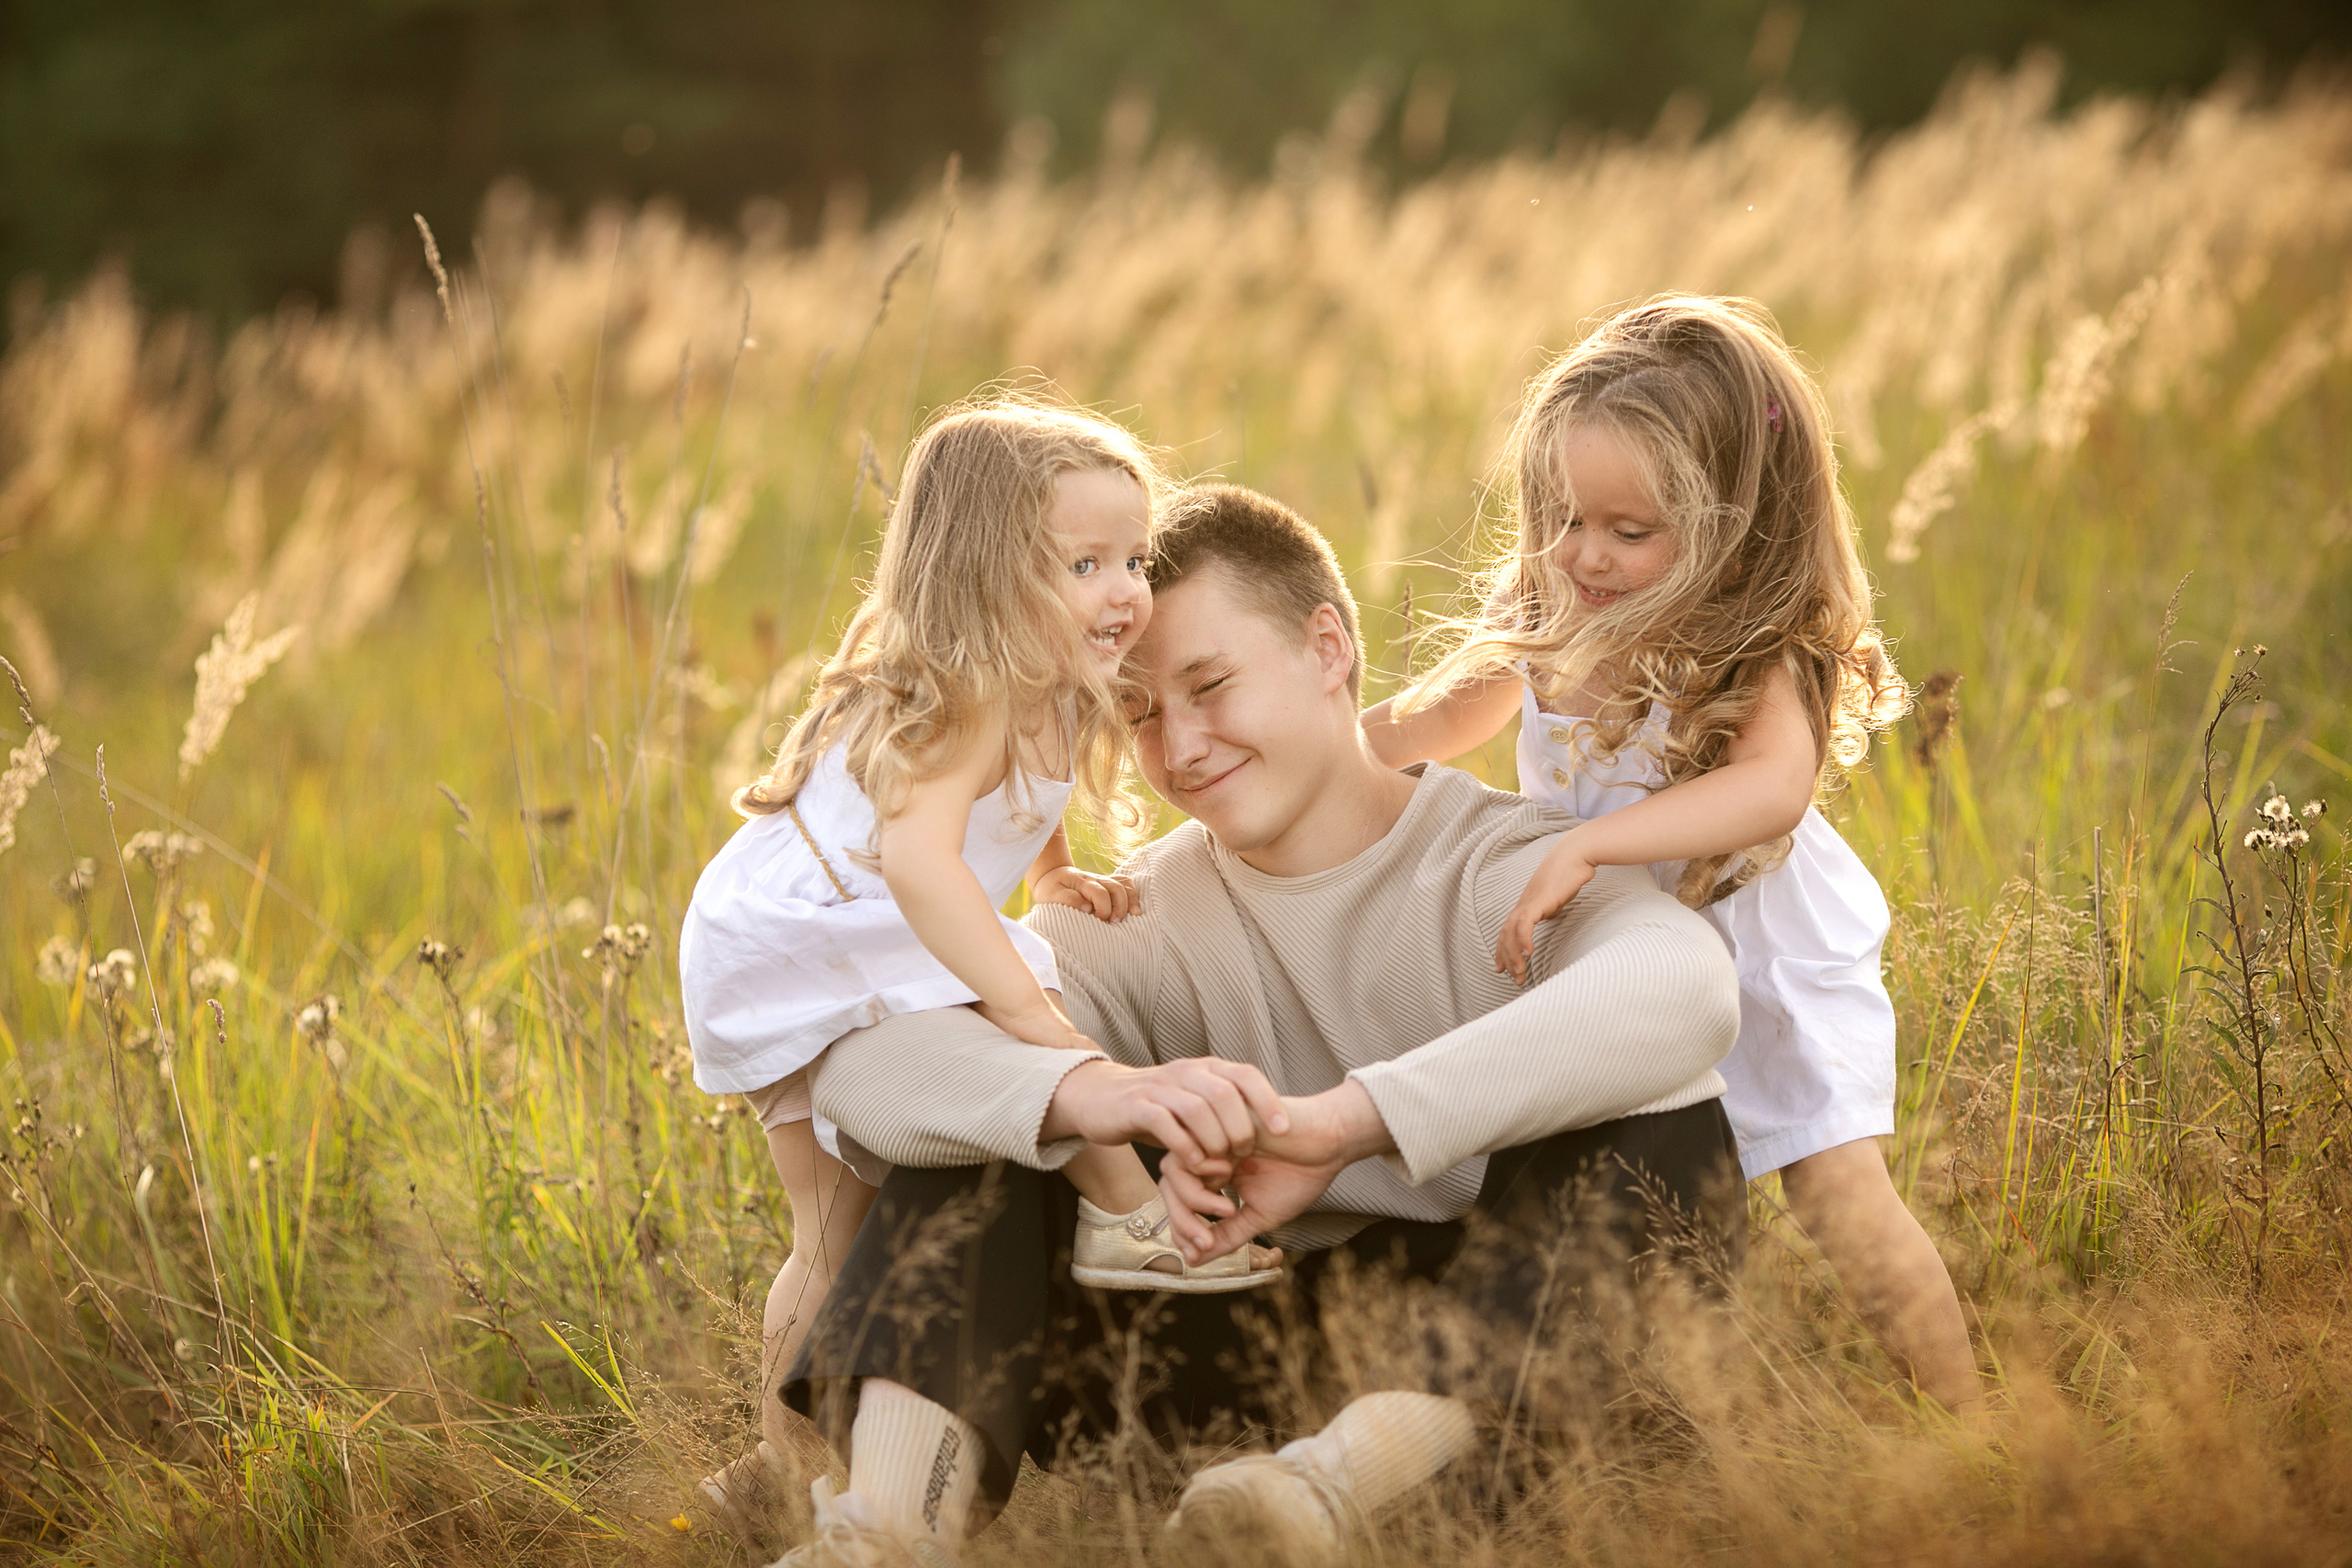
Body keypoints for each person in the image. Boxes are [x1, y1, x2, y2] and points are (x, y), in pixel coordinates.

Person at [772, 485, 1748, 1566]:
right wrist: (1096, 1094)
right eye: (1139, 713)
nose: (1181, 746)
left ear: (1327, 648)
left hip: (1490, 1367)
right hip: (1223, 1343)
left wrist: (1346, 1123)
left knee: (1670, 1121)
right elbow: (867, 1067)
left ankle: (1319, 1495)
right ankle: (885, 1534)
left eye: (1210, 686)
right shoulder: (1138, 914)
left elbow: (1688, 988)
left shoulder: (1502, 865)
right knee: (996, 1107)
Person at [1361, 294, 1978, 1415]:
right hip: (1619, 958)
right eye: (1562, 516)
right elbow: (1433, 722)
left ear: (1730, 527)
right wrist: (1302, 757)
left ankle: (1972, 1427)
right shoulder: (1549, 599)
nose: (1584, 554)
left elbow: (1771, 787)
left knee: (1835, 1190)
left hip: (1758, 952)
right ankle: (1619, 1397)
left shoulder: (1745, 642)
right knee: (1604, 1176)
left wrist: (1594, 843)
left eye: (1628, 531)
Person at [680, 399, 1280, 1526]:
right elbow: (918, 859)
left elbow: (1013, 808)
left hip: (875, 922)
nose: (1123, 592)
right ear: (985, 572)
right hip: (804, 940)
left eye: (1133, 560)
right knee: (842, 1210)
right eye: (1083, 564)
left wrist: (1050, 874)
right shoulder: (961, 691)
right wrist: (1021, 1002)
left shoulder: (1054, 674)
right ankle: (1126, 1213)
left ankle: (780, 1471)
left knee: (858, 1217)